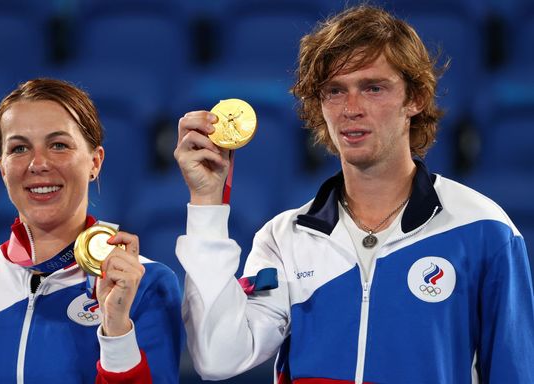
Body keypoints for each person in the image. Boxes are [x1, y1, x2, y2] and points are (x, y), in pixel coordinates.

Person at [174, 5, 534, 383]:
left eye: (373, 88)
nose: (351, 109)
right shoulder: (286, 238)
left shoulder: (483, 229)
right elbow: (218, 357)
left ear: (416, 99)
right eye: (334, 91)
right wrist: (206, 204)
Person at [0, 78, 183, 383]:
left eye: (59, 145)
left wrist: (116, 330)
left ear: (94, 162)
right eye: (19, 148)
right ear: (2, 167)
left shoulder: (145, 284)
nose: (38, 164)